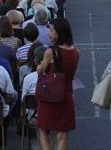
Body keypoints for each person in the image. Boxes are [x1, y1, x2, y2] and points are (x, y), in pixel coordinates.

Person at [36, 18, 79, 150]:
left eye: (52, 30)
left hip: (50, 95)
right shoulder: (75, 52)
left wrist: (39, 68)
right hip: (66, 94)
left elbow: (41, 70)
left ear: (59, 32)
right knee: (63, 134)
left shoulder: (51, 52)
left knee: (44, 130)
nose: (49, 33)